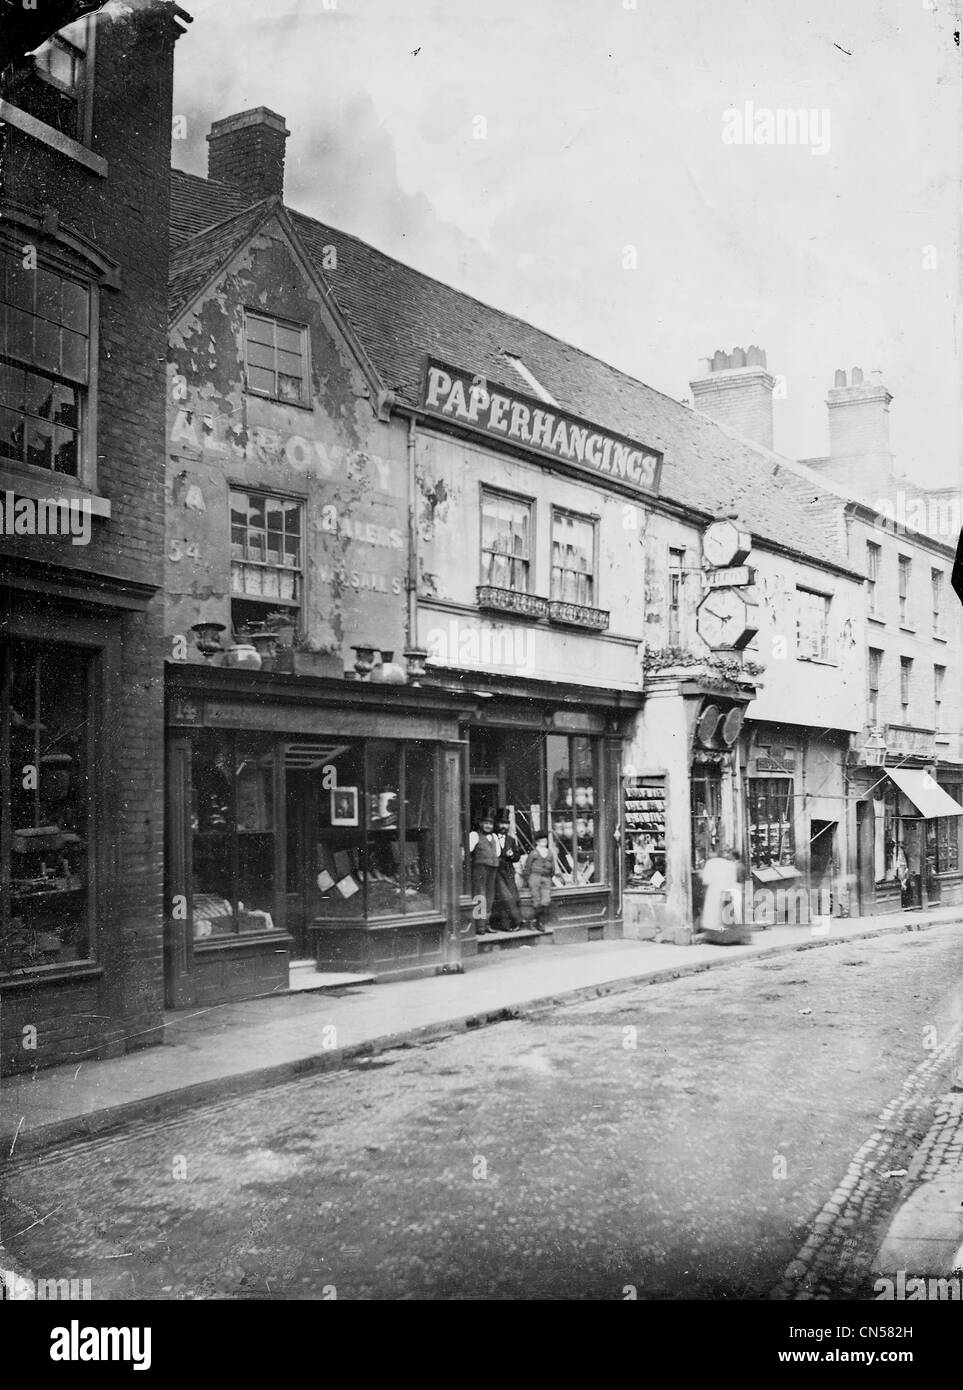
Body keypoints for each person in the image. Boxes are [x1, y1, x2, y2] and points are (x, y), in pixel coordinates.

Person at [491, 809, 524, 932]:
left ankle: (510, 925)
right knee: (506, 897)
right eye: (501, 823)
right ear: (497, 824)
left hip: (509, 872)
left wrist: (512, 855)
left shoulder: (511, 840)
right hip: (497, 872)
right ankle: (517, 922)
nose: (504, 826)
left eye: (506, 823)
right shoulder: (492, 837)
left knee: (514, 897)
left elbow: (517, 857)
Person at [700, 845, 742, 936]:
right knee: (724, 917)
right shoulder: (731, 865)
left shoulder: (710, 863)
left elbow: (706, 880)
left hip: (713, 892)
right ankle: (725, 935)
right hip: (727, 892)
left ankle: (714, 936)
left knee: (712, 916)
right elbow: (733, 881)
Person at [469, 811, 499, 934]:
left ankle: (487, 924)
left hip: (493, 868)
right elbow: (469, 850)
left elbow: (497, 853)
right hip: (480, 868)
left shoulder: (494, 837)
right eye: (486, 823)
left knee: (490, 896)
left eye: (490, 824)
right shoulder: (474, 835)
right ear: (481, 824)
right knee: (480, 895)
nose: (488, 826)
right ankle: (479, 926)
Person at [523, 831, 553, 933]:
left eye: (545, 841)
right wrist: (528, 880)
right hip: (535, 877)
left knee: (545, 900)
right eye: (541, 841)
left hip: (546, 878)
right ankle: (537, 922)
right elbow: (527, 867)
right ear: (537, 842)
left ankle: (536, 921)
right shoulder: (534, 853)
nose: (543, 843)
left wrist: (550, 877)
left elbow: (553, 867)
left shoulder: (549, 853)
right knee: (536, 900)